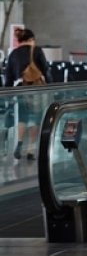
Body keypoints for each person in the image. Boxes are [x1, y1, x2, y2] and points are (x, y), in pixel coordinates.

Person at [5, 28, 48, 160]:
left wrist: (8, 95)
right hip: (37, 90)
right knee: (36, 119)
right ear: (31, 39)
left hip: (20, 89)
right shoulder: (37, 50)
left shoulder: (13, 54)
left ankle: (19, 143)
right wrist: (53, 86)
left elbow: (9, 76)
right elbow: (46, 70)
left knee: (22, 118)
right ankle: (30, 150)